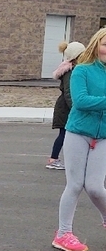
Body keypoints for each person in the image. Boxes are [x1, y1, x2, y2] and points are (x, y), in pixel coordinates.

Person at [52, 27, 106, 251]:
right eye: (105, 43)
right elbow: (81, 101)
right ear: (96, 44)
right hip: (77, 132)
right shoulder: (82, 70)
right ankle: (63, 234)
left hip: (103, 136)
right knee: (74, 185)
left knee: (95, 187)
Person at [46, 40, 85, 169]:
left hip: (67, 107)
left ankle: (58, 159)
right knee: (64, 134)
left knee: (68, 134)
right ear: (76, 56)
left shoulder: (75, 69)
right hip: (66, 108)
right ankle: (53, 159)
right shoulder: (70, 71)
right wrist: (76, 108)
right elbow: (69, 92)